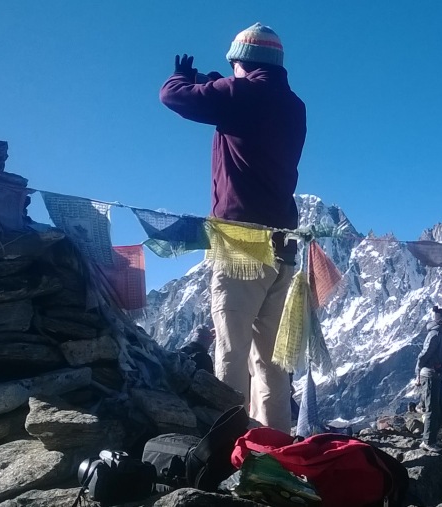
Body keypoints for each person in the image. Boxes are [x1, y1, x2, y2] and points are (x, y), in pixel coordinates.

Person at [160, 23, 307, 431]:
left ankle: (227, 449)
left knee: (231, 350)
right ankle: (273, 446)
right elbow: (242, 96)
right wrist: (218, 82)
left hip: (242, 242)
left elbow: (172, 96)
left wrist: (183, 76)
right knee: (273, 360)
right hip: (285, 248)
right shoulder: (295, 105)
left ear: (241, 63)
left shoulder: (239, 95)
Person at [415, 306, 442, 453]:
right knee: (432, 409)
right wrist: (418, 373)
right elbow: (423, 355)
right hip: (430, 375)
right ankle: (428, 441)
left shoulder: (440, 334)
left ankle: (431, 437)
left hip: (436, 376)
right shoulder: (435, 335)